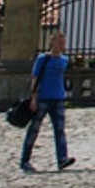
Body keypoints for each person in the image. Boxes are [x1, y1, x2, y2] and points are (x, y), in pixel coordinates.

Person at [19, 31, 75, 173]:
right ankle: (25, 160)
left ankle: (62, 158)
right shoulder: (43, 59)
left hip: (58, 98)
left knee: (60, 130)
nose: (62, 45)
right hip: (43, 98)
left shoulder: (64, 60)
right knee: (34, 129)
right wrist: (34, 97)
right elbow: (35, 78)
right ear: (52, 43)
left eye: (63, 43)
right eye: (59, 42)